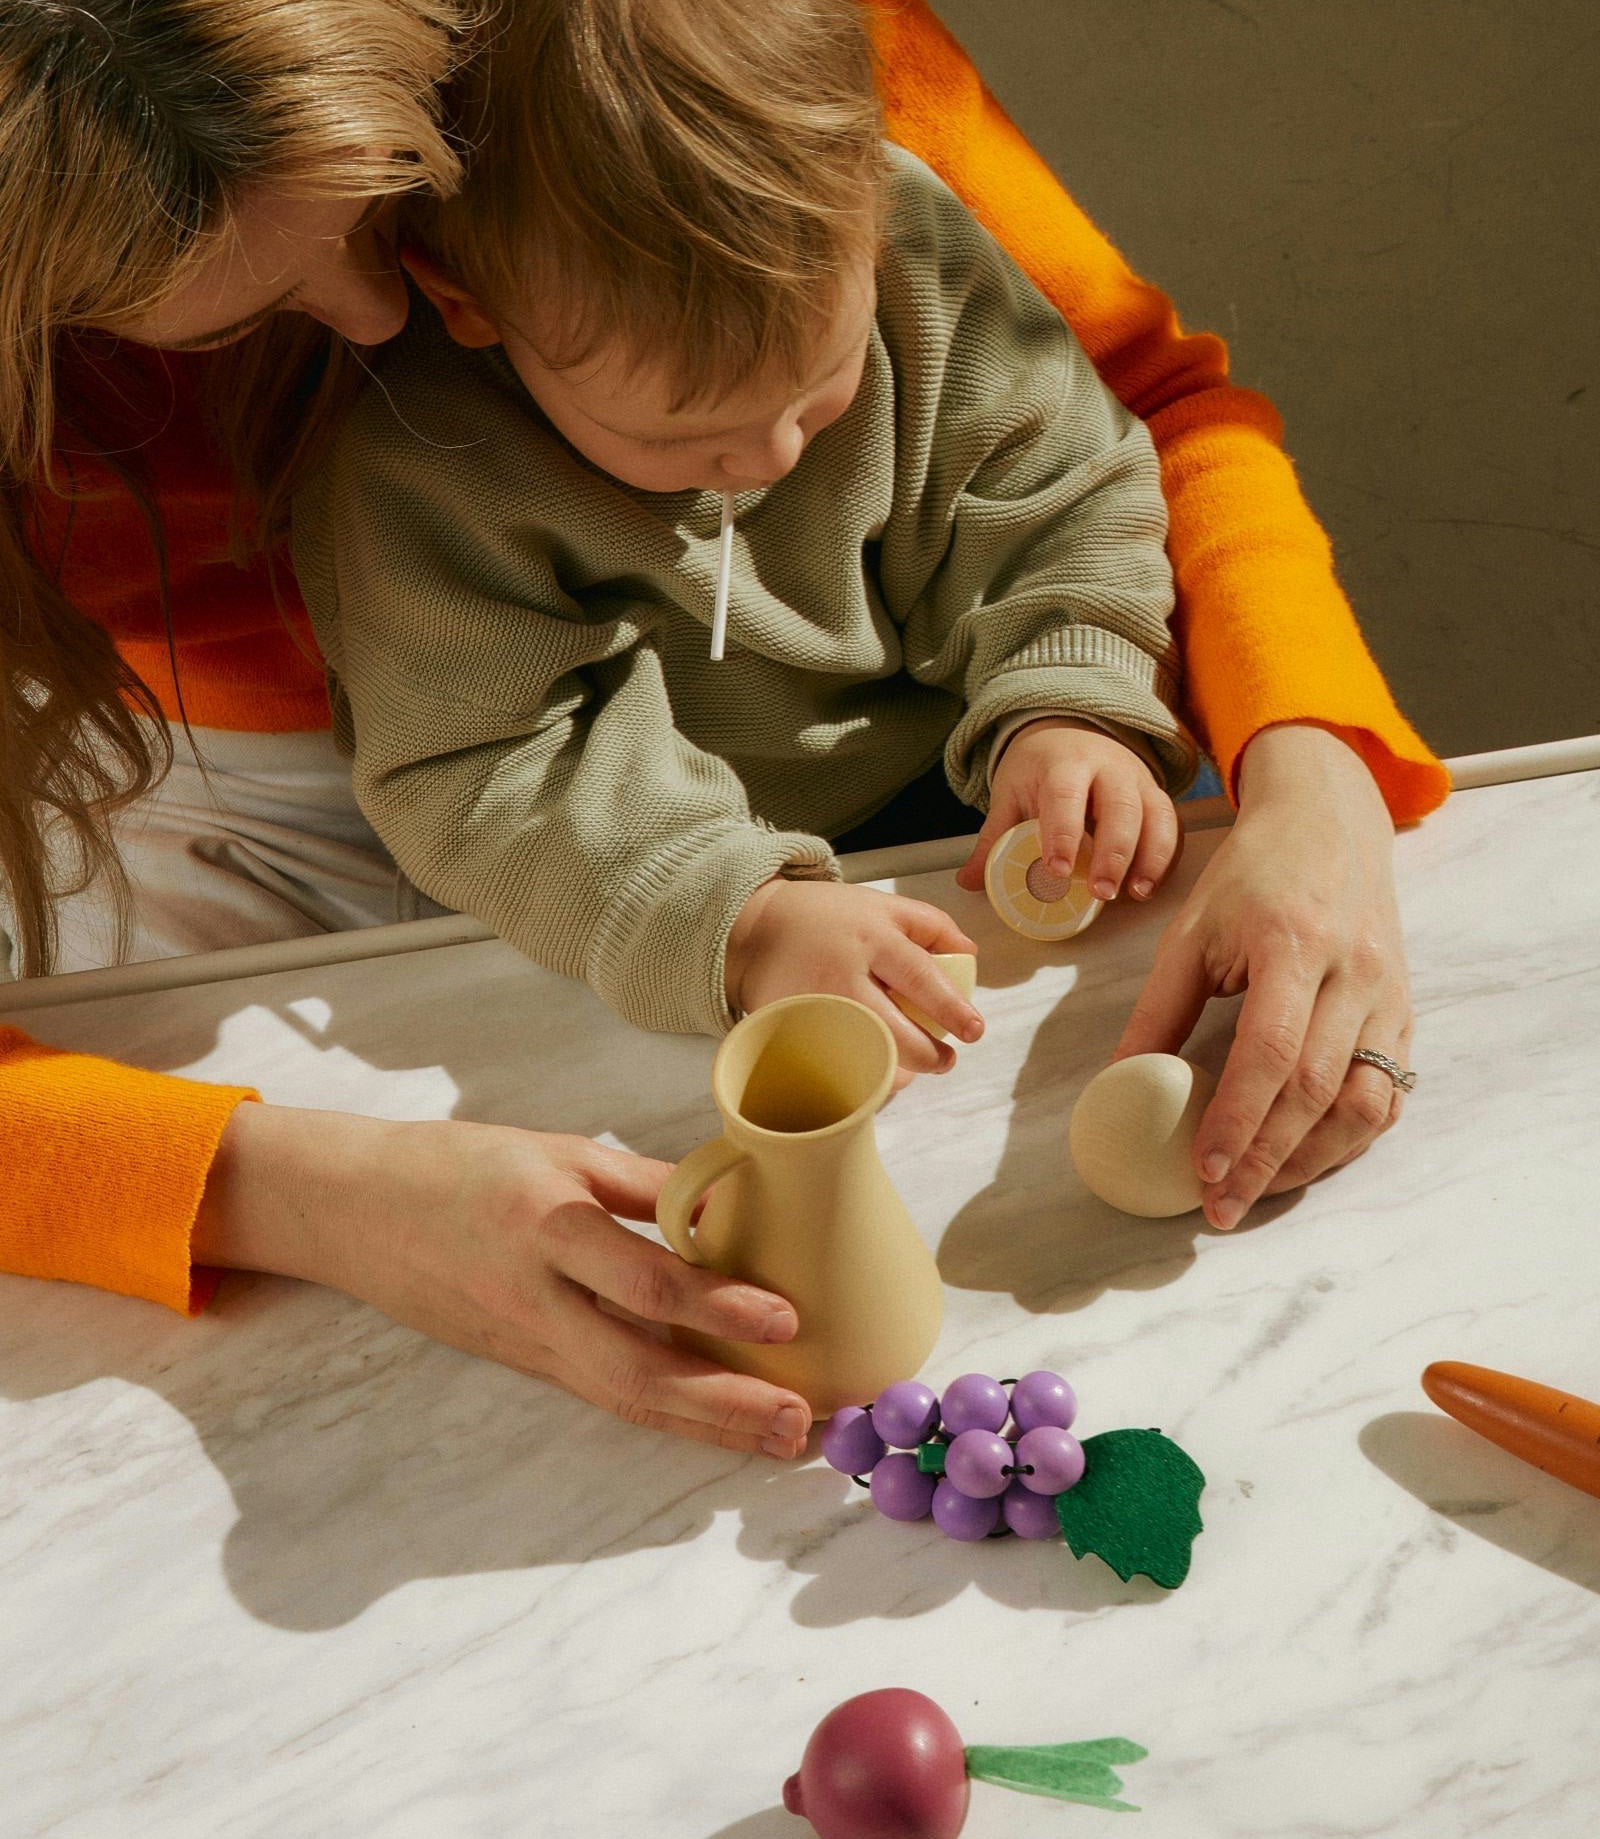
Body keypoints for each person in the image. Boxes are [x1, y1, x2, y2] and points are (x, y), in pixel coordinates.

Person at [0, 0, 1447, 1452]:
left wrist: (1206, 744)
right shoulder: (422, 467)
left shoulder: (758, 92)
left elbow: (1100, 446)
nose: (384, 325)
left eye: (389, 210)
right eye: (246, 313)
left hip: (883, 809)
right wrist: (311, 1191)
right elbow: (495, 759)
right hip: (410, 829)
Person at [294, 0, 1196, 1065]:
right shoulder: (425, 463)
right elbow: (482, 768)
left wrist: (1068, 701)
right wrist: (742, 918)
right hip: (674, 891)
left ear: (867, 200)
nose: (770, 457)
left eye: (818, 395)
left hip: (992, 782)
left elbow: (1055, 484)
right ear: (467, 303)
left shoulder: (920, 251)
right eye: (684, 439)